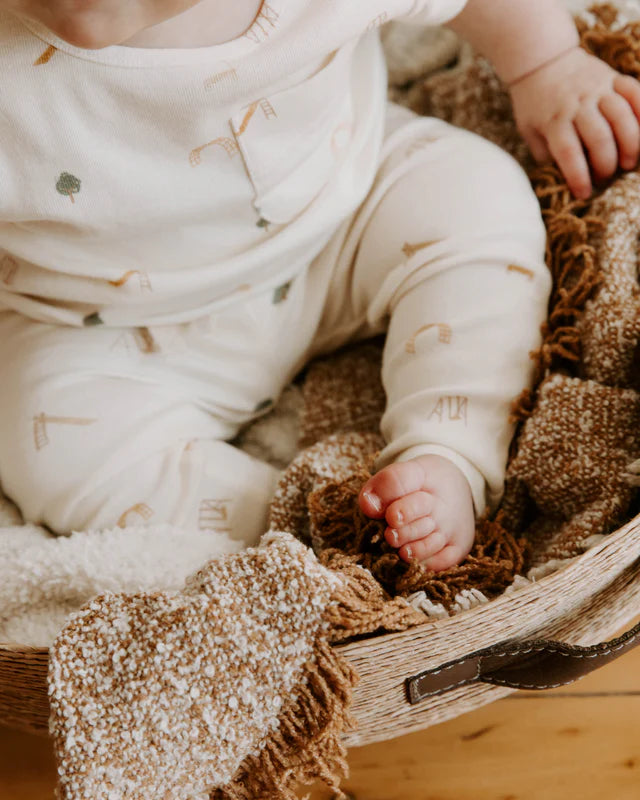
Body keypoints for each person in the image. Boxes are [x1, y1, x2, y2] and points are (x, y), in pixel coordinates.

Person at [0, 0, 638, 570]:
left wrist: (547, 65)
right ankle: (325, 524)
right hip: (92, 319)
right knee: (45, 445)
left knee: (477, 194)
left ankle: (449, 451)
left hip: (344, 215)